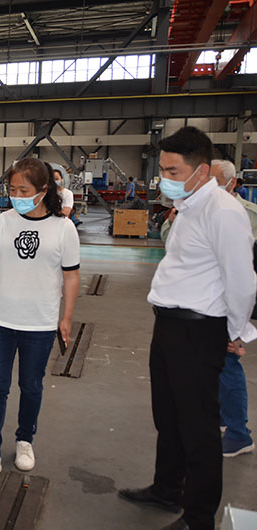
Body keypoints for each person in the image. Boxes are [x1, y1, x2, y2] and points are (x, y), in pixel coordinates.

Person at [119, 127, 257, 530]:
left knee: (198, 429)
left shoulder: (223, 212)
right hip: (170, 326)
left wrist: (235, 332)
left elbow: (242, 281)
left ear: (201, 171)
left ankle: (198, 518)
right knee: (169, 418)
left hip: (198, 332)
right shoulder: (189, 207)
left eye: (173, 172)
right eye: (162, 170)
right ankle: (167, 488)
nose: (164, 178)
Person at [0, 158, 79, 487]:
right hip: (0, 321)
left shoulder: (63, 228)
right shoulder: (2, 222)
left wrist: (66, 318)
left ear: (43, 190)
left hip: (39, 323)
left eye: (24, 190)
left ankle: (25, 439)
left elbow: (71, 277)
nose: (17, 196)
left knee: (31, 385)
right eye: (13, 190)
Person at [160, 159, 255, 458]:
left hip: (225, 302)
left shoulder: (240, 213)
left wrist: (237, 326)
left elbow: (244, 273)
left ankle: (239, 433)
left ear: (232, 183)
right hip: (199, 305)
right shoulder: (191, 209)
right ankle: (225, 420)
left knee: (228, 364)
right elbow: (171, 248)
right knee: (212, 368)